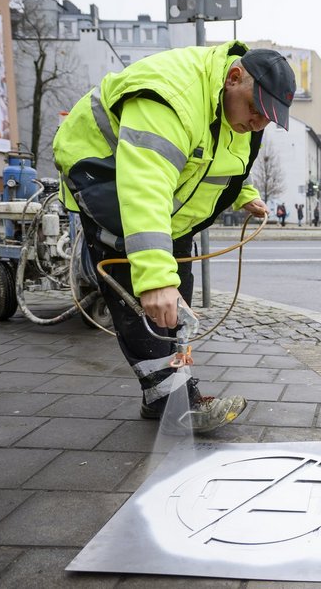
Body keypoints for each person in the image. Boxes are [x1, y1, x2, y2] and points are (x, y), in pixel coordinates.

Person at [53, 42, 295, 433]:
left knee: (178, 293)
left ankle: (168, 391)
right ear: (233, 78)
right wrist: (154, 278)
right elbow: (144, 186)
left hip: (170, 205)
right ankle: (171, 401)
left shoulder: (239, 108)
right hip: (106, 175)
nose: (257, 123)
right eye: (254, 110)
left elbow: (221, 157)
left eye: (267, 119)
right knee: (142, 296)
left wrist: (244, 194)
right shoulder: (171, 96)